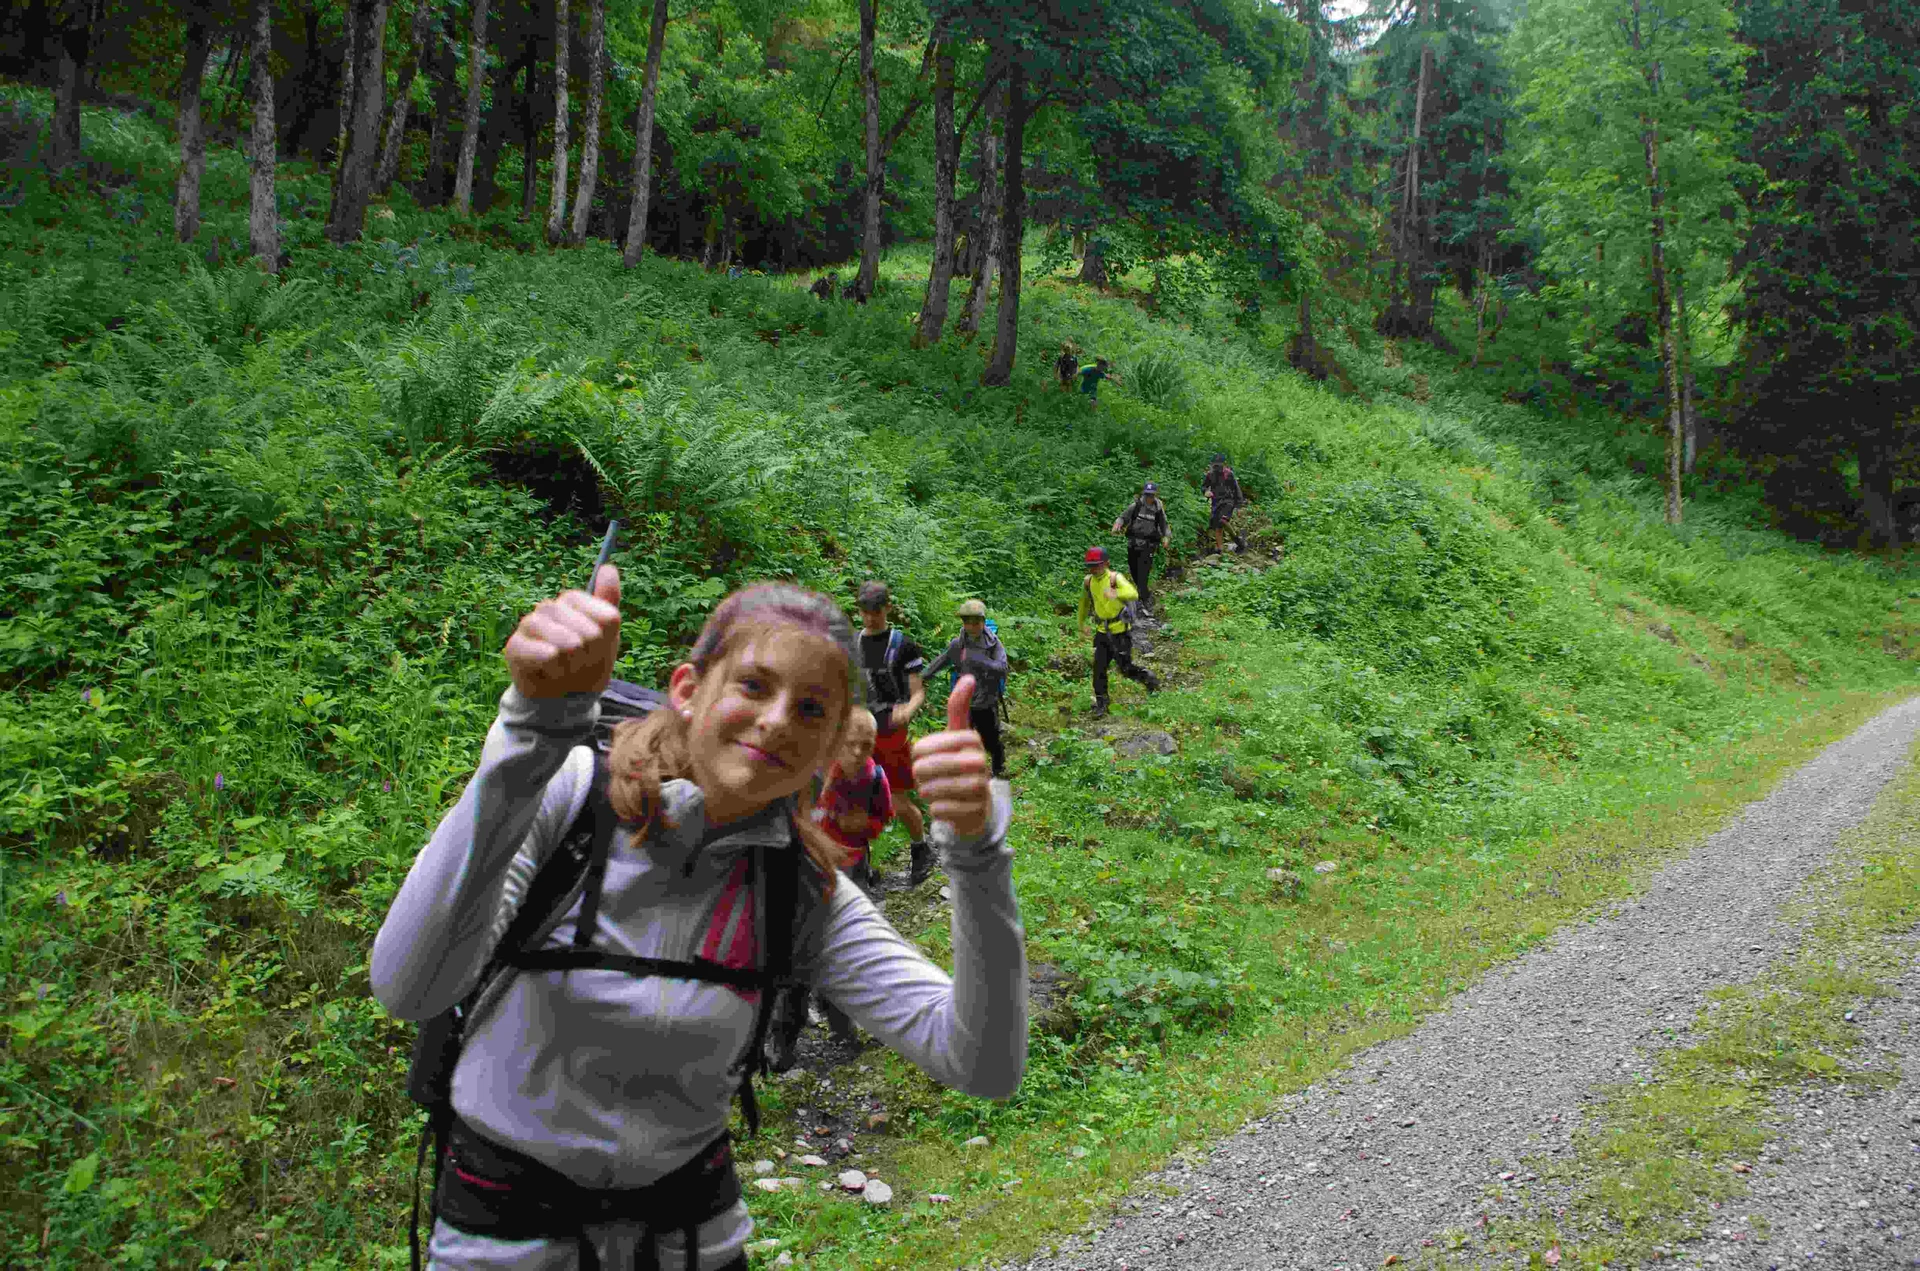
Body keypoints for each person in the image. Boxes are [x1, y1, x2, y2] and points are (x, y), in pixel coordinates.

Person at [372, 572, 1026, 1271]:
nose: (777, 720)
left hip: (693, 1243)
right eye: (753, 686)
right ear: (688, 690)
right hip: (503, 1245)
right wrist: (530, 731)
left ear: (831, 748)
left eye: (811, 709)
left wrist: (978, 854)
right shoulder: (569, 798)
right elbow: (408, 988)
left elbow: (981, 1063)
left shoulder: (799, 888)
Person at [766, 711, 893, 1069]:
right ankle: (783, 1035)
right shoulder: (806, 773)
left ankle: (841, 1024)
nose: (856, 752)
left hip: (849, 874)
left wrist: (863, 825)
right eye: (849, 744)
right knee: (796, 957)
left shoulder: (873, 778)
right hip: (802, 876)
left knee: (841, 949)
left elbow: (883, 817)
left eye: (865, 746)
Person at [854, 581, 935, 887]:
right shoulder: (853, 644)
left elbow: (917, 693)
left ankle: (920, 848)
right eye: (865, 612)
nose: (870, 618)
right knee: (855, 800)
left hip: (891, 731)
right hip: (860, 734)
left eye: (875, 611)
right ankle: (860, 868)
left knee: (896, 799)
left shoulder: (903, 646)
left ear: (887, 608)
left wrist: (907, 711)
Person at [923, 599, 1011, 779]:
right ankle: (965, 773)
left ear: (983, 622)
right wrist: (922, 677)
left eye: (976, 622)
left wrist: (978, 660)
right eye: (968, 622)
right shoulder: (958, 644)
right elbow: (941, 661)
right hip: (964, 700)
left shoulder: (993, 644)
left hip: (986, 700)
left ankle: (999, 770)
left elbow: (1002, 667)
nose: (972, 627)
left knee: (990, 738)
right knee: (962, 738)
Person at [1076, 547, 1159, 719]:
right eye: (1090, 566)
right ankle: (1102, 703)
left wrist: (1114, 593)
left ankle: (1148, 678)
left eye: (1097, 565)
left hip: (1120, 632)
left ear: (1106, 563)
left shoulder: (1115, 578)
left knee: (1125, 668)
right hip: (1101, 632)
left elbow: (1133, 593)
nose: (1093, 569)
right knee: (1099, 668)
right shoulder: (1088, 582)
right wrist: (1081, 623)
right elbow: (1083, 604)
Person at [1110, 481, 1170, 616]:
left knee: (1143, 574)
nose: (1149, 497)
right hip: (1133, 544)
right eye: (1147, 495)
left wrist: (1166, 537)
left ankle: (1143, 602)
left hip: (1149, 546)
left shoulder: (1158, 509)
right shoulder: (1136, 506)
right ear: (1144, 494)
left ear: (1155, 495)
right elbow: (1122, 517)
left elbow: (1164, 525)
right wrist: (1117, 525)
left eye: (1152, 495)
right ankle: (1145, 595)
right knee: (1134, 571)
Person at [1202, 453, 1248, 554]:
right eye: (1215, 465)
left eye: (1219, 465)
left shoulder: (1229, 474)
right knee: (1218, 525)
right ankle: (1220, 550)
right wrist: (1206, 492)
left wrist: (1239, 506)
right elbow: (1204, 486)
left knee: (1222, 521)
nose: (1217, 467)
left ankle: (1237, 539)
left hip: (1228, 501)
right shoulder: (1210, 475)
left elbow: (1236, 489)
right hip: (1216, 502)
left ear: (1224, 464)